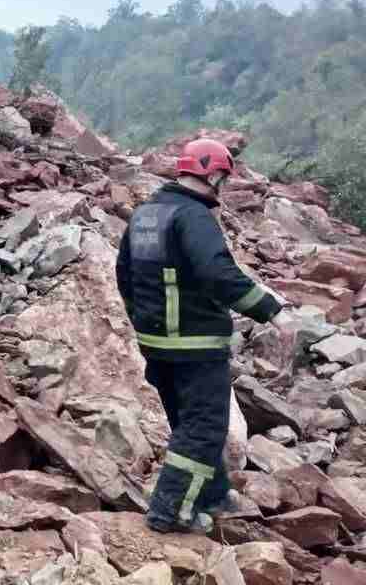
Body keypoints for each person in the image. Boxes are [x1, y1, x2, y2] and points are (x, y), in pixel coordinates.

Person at [116, 138, 286, 536]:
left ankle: (213, 493)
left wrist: (142, 320)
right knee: (205, 427)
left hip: (156, 344)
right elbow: (217, 273)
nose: (222, 185)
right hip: (194, 344)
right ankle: (169, 510)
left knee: (188, 423)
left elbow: (125, 275)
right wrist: (269, 308)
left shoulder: (145, 214)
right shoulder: (192, 216)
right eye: (222, 177)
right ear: (212, 174)